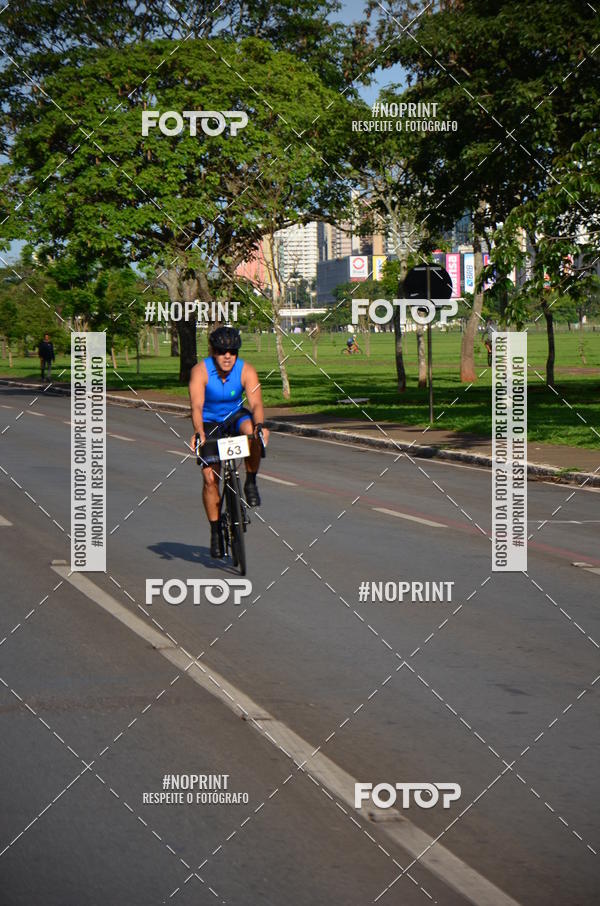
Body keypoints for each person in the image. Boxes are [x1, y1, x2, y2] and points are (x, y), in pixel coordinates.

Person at [189, 326, 269, 559]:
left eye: (232, 352)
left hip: (235, 417)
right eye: (222, 351)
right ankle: (215, 531)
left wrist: (260, 425)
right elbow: (196, 406)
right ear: (213, 351)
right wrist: (198, 432)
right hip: (209, 421)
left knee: (253, 431)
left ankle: (251, 482)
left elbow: (256, 404)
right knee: (209, 478)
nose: (227, 356)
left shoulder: (247, 370)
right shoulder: (200, 371)